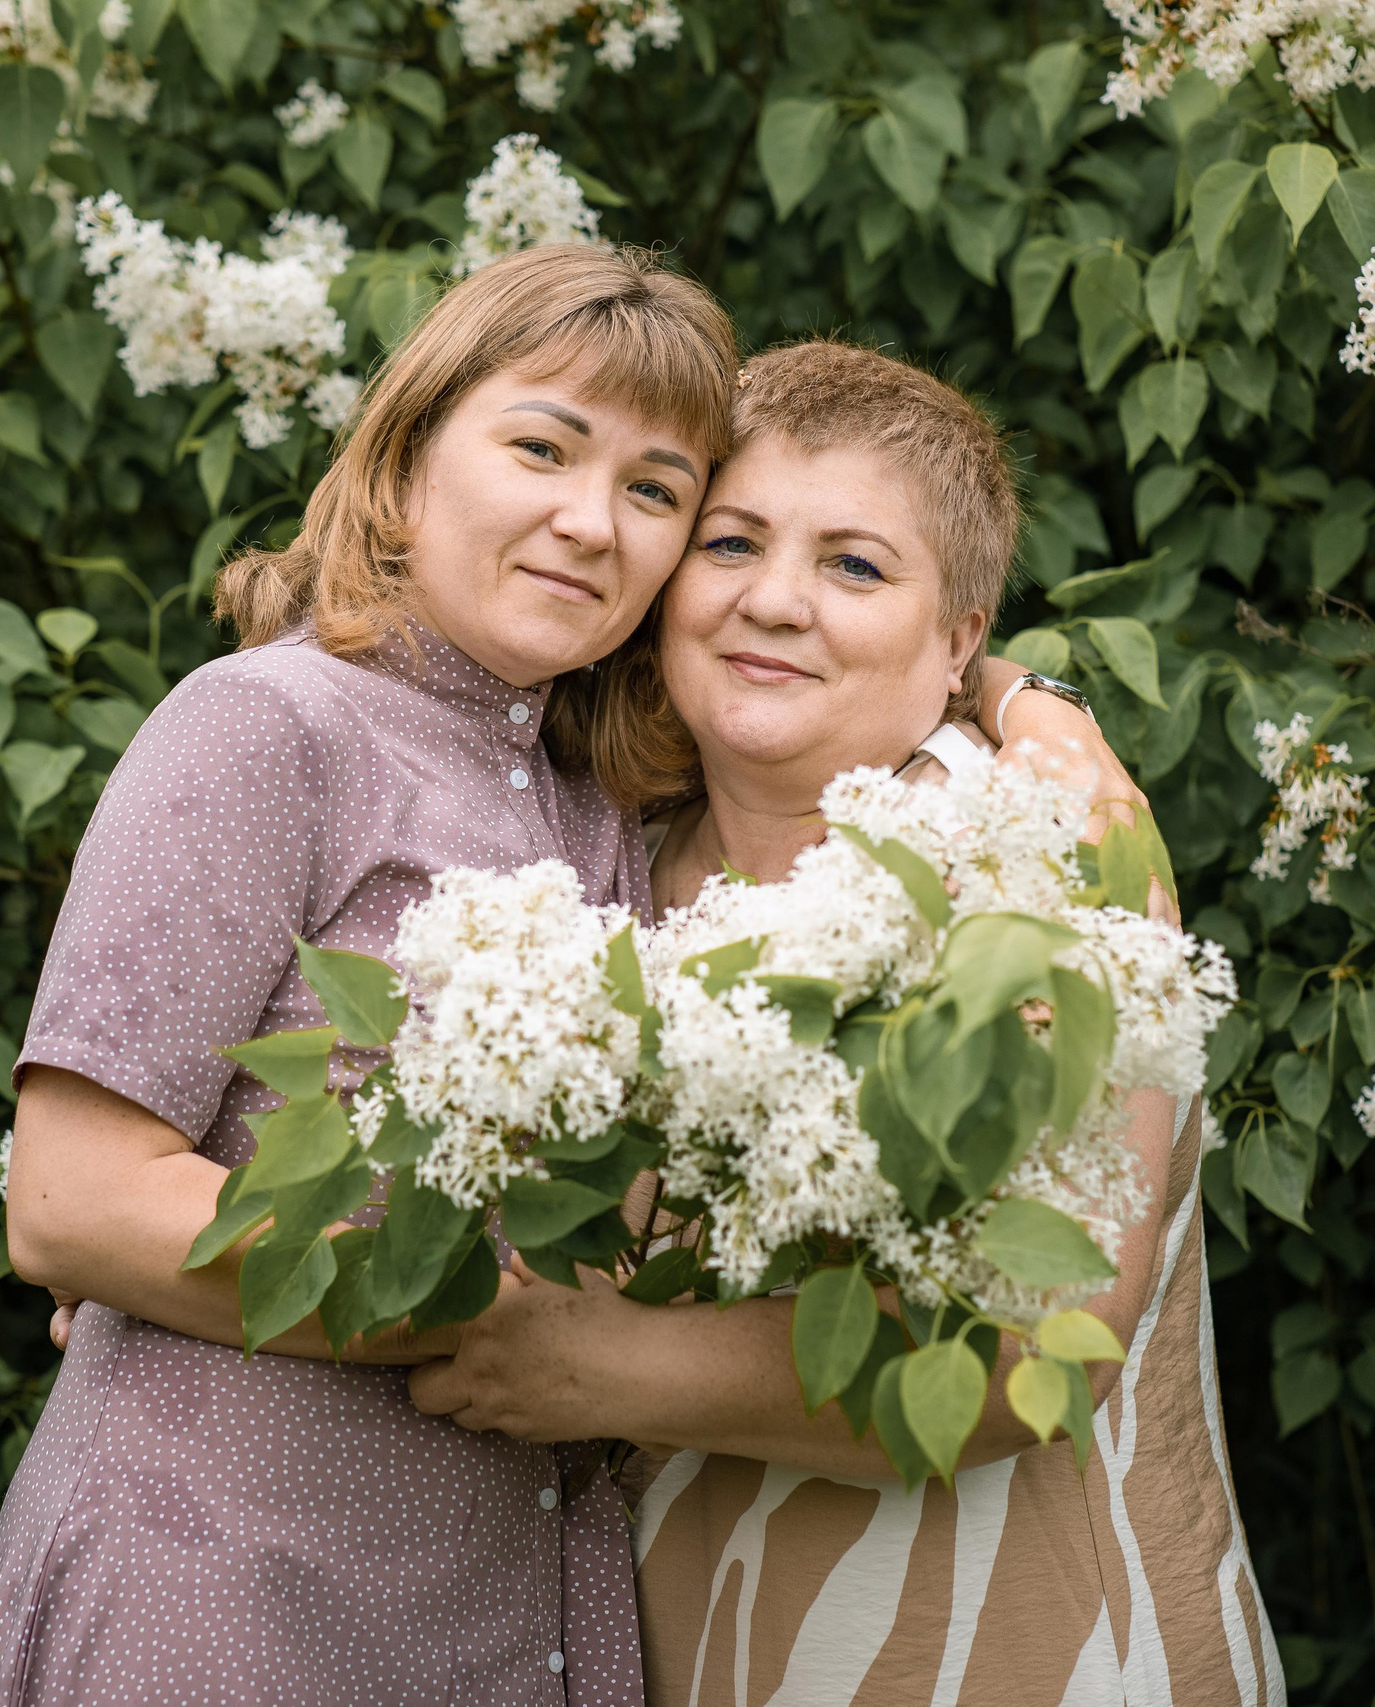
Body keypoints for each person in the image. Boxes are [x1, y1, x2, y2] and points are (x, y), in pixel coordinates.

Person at [0, 254, 1110, 1705]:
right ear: (410, 453)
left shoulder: (607, 807)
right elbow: (73, 1200)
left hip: (500, 1626)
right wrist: (479, 1312)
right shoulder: (269, 726)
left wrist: (1031, 702)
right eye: (542, 447)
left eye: (654, 491)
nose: (586, 520)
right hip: (232, 1602)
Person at [403, 342, 1284, 1707]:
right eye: (732, 542)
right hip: (701, 1651)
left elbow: (1046, 1336)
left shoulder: (1041, 853)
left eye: (856, 567)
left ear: (962, 639)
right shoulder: (605, 858)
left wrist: (614, 1369)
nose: (774, 601)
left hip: (1017, 1657)